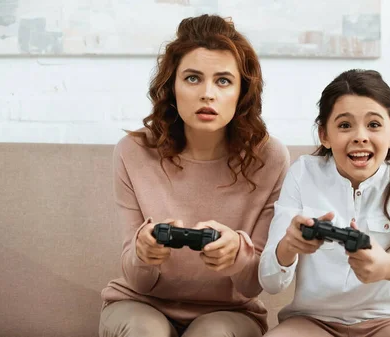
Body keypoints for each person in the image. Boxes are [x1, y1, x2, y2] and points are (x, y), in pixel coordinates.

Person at [99, 14, 290, 337]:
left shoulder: (270, 158)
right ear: (171, 87)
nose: (207, 94)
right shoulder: (133, 152)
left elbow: (253, 284)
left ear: (242, 91)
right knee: (147, 331)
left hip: (229, 311)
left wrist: (238, 256)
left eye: (223, 81)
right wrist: (143, 253)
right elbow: (138, 280)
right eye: (192, 78)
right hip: (141, 303)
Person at [258, 69, 390, 337]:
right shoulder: (302, 174)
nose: (360, 136)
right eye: (344, 125)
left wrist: (389, 268)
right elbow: (270, 282)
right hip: (312, 322)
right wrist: (288, 247)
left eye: (374, 125)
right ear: (324, 135)